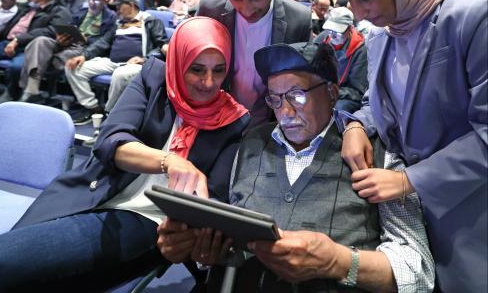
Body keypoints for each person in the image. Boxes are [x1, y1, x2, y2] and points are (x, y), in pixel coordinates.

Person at [0, 16, 250, 292]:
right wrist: (170, 161)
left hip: (150, 221)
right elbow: (111, 141)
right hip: (98, 193)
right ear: (178, 62)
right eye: (197, 69)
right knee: (6, 271)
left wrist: (188, 238)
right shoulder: (154, 79)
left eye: (219, 70)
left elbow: (212, 200)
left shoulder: (234, 120)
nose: (208, 82)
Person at [157, 42, 434, 293]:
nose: (285, 112)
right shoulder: (251, 142)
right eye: (275, 99)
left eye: (297, 96)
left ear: (332, 93)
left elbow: (417, 270)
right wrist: (200, 246)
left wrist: (338, 263)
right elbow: (229, 233)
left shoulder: (377, 153)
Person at [328, 0, 487, 291]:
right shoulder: (383, 33)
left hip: (467, 208)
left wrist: (409, 180)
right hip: (409, 214)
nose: (358, 11)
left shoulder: (470, 15)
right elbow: (382, 101)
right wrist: (357, 124)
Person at [198, 0, 311, 124]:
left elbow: (302, 80)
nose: (246, 9)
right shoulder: (210, 8)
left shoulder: (298, 18)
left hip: (270, 121)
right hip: (216, 116)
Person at [65, 0, 168, 124]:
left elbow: (162, 46)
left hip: (137, 64)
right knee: (73, 67)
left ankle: (110, 114)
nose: (117, 11)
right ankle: (94, 108)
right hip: (112, 62)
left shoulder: (150, 21)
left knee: (119, 74)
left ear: (131, 5)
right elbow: (103, 42)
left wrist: (145, 59)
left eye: (120, 7)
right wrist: (84, 55)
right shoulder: (118, 24)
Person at [19, 0, 116, 103]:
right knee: (40, 41)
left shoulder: (112, 18)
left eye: (97, 0)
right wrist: (61, 37)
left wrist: (87, 40)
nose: (92, 3)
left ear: (106, 1)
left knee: (52, 59)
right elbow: (70, 27)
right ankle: (32, 90)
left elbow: (105, 42)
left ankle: (32, 88)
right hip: (68, 42)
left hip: (86, 48)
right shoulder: (81, 12)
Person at [0, 0, 72, 103]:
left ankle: (12, 93)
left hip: (29, 48)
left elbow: (51, 31)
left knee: (16, 68)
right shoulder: (26, 7)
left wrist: (18, 40)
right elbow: (9, 24)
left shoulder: (59, 11)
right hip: (6, 43)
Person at [314, 7, 367, 113]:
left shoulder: (361, 50)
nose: (332, 36)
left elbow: (357, 92)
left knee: (339, 108)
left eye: (338, 32)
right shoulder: (324, 38)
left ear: (350, 28)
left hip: (345, 96)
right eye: (330, 30)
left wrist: (332, 91)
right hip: (323, 88)